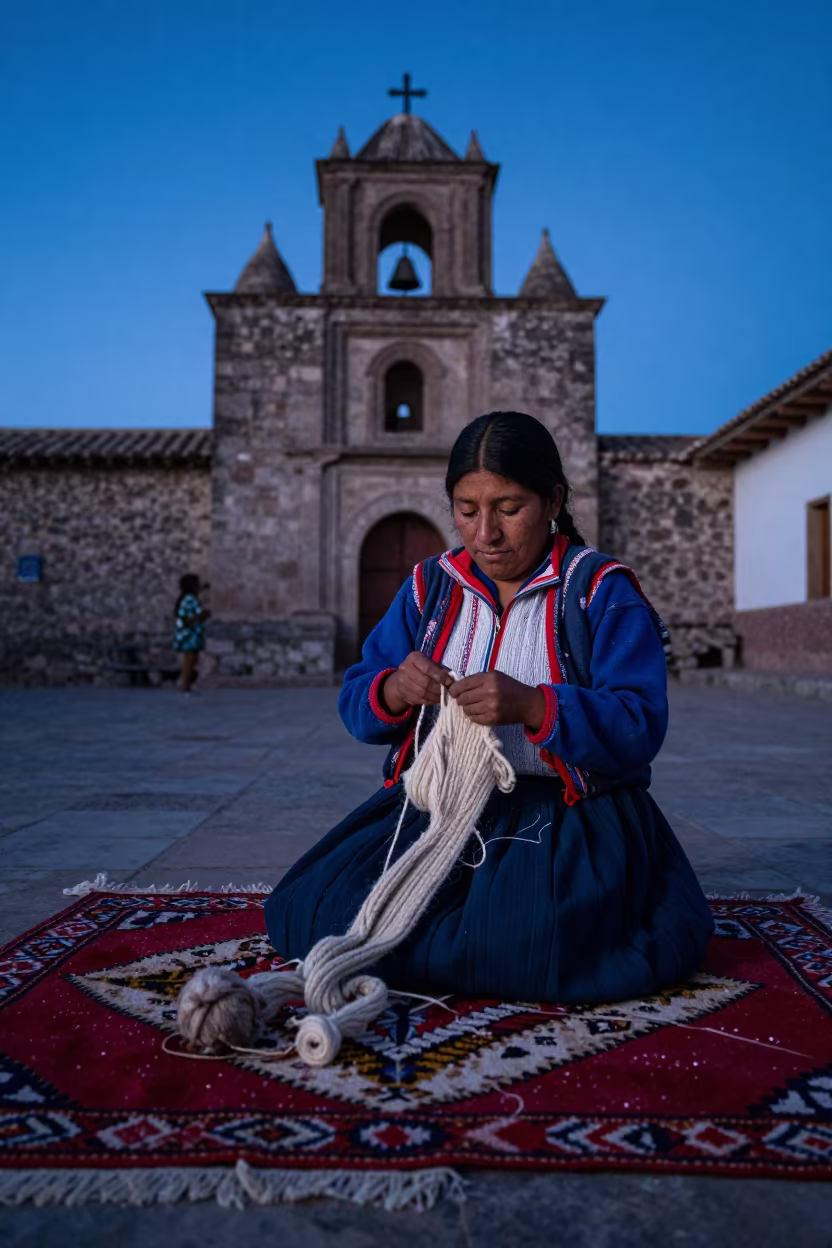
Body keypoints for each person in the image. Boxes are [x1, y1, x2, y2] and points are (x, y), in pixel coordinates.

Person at [265, 412, 713, 1004]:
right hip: (439, 808)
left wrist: (534, 704)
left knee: (535, 940)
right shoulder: (430, 588)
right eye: (467, 509)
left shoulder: (600, 591)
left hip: (570, 818)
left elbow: (639, 725)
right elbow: (358, 703)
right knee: (310, 906)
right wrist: (396, 688)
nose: (486, 534)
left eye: (509, 507)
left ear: (553, 499)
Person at [173, 574, 210, 694]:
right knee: (189, 659)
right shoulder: (189, 599)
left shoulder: (191, 598)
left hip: (193, 634)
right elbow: (185, 618)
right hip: (189, 634)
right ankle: (184, 684)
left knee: (193, 658)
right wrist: (200, 616)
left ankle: (187, 682)